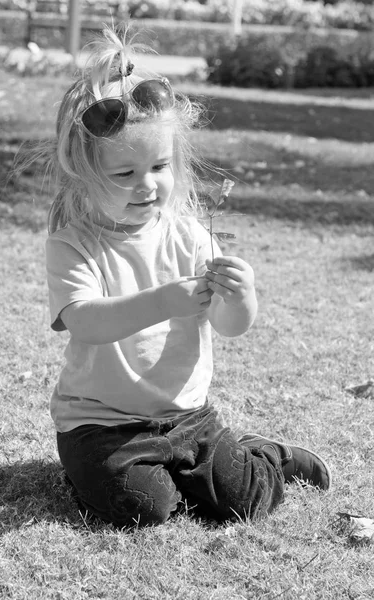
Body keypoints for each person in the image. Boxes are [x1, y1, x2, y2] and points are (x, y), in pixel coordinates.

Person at [40, 25, 331, 528]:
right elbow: (85, 322)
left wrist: (241, 296)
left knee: (244, 500)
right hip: (100, 424)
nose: (147, 185)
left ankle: (267, 456)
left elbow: (231, 324)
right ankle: (102, 475)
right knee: (142, 507)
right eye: (124, 174)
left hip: (188, 415)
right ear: (83, 174)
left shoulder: (190, 235)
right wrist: (162, 301)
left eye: (160, 166)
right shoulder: (73, 244)